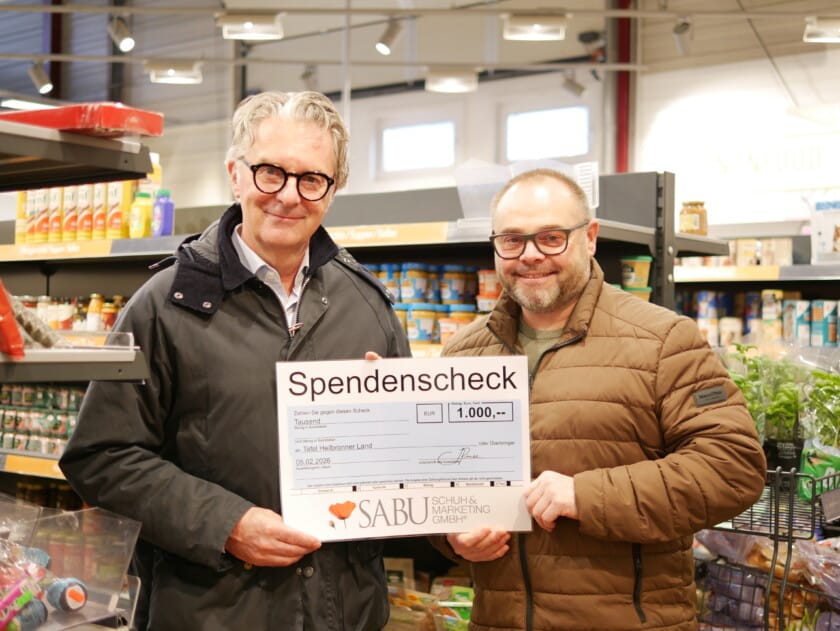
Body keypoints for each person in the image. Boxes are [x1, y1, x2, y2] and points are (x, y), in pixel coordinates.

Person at [59, 91, 411, 630]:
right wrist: (226, 524)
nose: (288, 195)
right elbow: (101, 456)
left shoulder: (368, 306)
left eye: (311, 179)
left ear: (333, 190)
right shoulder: (164, 304)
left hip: (345, 613)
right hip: (212, 611)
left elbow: (414, 467)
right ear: (236, 175)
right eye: (271, 172)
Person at [431, 168, 767, 631]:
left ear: (589, 238)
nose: (530, 255)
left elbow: (732, 466)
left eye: (551, 237)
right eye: (511, 240)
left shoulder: (663, 340)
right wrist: (451, 537)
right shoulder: (462, 354)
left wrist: (585, 495)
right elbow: (437, 484)